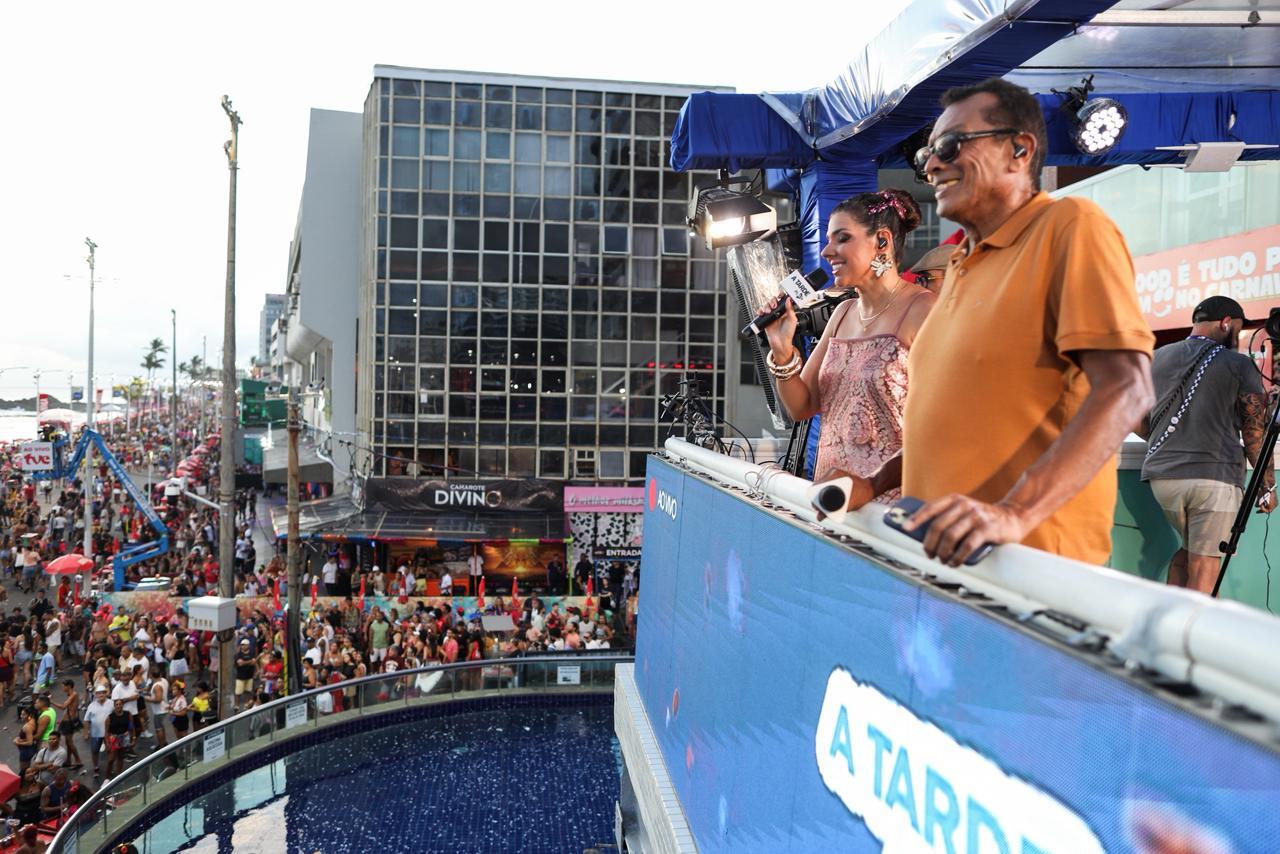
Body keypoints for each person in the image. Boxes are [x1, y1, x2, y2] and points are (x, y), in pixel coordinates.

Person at [851, 77, 1154, 565]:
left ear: (1019, 150)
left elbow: (1127, 390)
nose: (931, 165)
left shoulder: (1070, 227)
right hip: (946, 568)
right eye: (928, 152)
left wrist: (1014, 513)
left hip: (1030, 572)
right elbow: (958, 424)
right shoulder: (959, 266)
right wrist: (874, 482)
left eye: (950, 146)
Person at [759, 188, 933, 489]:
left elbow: (939, 427)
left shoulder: (925, 310)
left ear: (882, 241)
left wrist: (872, 488)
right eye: (828, 240)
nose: (826, 252)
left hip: (888, 502)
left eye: (842, 238)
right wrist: (782, 350)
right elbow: (802, 407)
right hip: (830, 498)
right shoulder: (842, 313)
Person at [1139, 296, 1275, 592]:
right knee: (1205, 564)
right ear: (1225, 323)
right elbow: (1254, 433)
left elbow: (1130, 416)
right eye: (1237, 329)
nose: (1237, 336)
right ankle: (1193, 622)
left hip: (1163, 479)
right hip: (1214, 477)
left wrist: (1167, 438)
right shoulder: (1238, 364)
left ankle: (1172, 613)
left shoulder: (1156, 358)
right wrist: (1267, 486)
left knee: (1187, 553)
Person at [83, 684, 113, 780]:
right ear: (95, 695)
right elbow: (86, 720)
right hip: (95, 733)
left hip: (109, 733)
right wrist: (86, 732)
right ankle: (96, 767)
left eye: (103, 693)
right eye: (98, 693)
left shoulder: (111, 703)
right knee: (94, 751)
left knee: (110, 750)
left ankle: (110, 767)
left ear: (106, 693)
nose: (101, 695)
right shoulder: (91, 706)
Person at [52, 680, 83, 770]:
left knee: (70, 742)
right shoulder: (71, 695)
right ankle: (68, 760)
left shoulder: (73, 695)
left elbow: (63, 707)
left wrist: (51, 701)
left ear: (68, 686)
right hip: (67, 721)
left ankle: (78, 761)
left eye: (63, 686)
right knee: (67, 742)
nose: (62, 688)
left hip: (69, 721)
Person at [105, 697, 132, 778]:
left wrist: (133, 737)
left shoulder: (128, 714)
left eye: (120, 704)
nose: (118, 706)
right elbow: (106, 731)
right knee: (111, 759)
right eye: (116, 704)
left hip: (123, 737)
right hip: (114, 739)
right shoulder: (110, 717)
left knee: (120, 757)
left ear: (123, 705)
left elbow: (131, 726)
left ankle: (119, 775)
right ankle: (107, 777)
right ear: (114, 706)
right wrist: (107, 743)